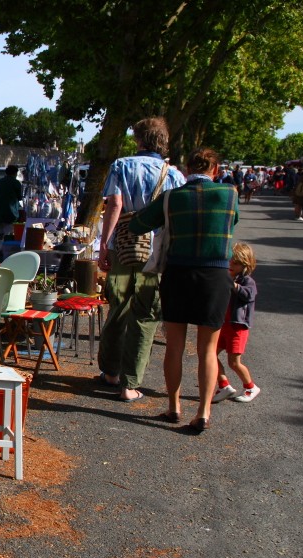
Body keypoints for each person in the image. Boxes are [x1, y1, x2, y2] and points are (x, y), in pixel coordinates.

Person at [129, 147, 239, 433]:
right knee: (208, 349)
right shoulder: (230, 194)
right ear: (216, 170)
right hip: (215, 275)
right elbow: (232, 222)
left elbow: (140, 224)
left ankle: (174, 406)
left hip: (178, 274)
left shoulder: (172, 197)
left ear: (187, 170)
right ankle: (203, 412)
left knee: (175, 346)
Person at [97, 117, 186, 403]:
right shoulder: (172, 174)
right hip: (156, 250)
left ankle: (110, 371)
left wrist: (105, 244)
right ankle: (130, 382)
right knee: (146, 314)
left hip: (124, 243)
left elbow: (116, 204)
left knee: (117, 307)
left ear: (139, 140)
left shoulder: (122, 165)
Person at [212, 242, 260, 403]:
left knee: (234, 362)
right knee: (210, 355)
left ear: (245, 265)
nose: (231, 264)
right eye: (230, 261)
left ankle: (250, 386)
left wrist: (234, 286)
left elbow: (249, 295)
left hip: (237, 327)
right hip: (222, 324)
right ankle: (224, 385)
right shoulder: (226, 276)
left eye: (237, 263)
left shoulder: (247, 281)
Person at [0, 164, 23, 240]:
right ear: (15, 173)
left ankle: (0, 246)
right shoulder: (16, 183)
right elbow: (19, 197)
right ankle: (5, 248)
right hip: (10, 212)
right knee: (8, 233)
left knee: (1, 231)